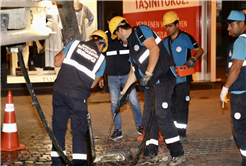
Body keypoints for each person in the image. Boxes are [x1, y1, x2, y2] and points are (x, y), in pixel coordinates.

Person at [109, 16, 186, 166]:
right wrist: (123, 94)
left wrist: (148, 73)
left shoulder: (141, 30)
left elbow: (154, 49)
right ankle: (150, 152)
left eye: (116, 34)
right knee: (148, 118)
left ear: (120, 29)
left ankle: (178, 153)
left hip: (164, 79)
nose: (117, 38)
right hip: (151, 84)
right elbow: (133, 72)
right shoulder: (131, 46)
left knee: (162, 115)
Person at [50, 30, 108, 166]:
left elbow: (57, 62)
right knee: (78, 130)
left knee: (58, 128)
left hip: (60, 91)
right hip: (77, 97)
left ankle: (57, 162)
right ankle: (79, 162)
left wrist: (65, 49)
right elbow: (93, 84)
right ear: (102, 46)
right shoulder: (101, 59)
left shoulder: (74, 44)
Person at [98, 12, 143, 140]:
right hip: (112, 76)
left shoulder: (126, 36)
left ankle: (140, 126)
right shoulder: (105, 37)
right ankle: (117, 129)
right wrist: (100, 76)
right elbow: (101, 58)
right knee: (114, 103)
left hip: (128, 75)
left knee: (134, 101)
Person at [162, 11, 204, 144]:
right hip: (170, 79)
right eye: (166, 26)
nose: (168, 29)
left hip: (184, 78)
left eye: (170, 26)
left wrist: (193, 58)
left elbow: (200, 50)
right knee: (171, 106)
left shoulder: (186, 38)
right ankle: (174, 132)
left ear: (177, 24)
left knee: (182, 106)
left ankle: (181, 133)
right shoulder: (165, 42)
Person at [220, 10, 246, 166]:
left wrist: (225, 88)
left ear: (242, 24)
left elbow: (236, 68)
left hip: (241, 93)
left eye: (231, 24)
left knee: (240, 128)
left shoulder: (241, 41)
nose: (228, 28)